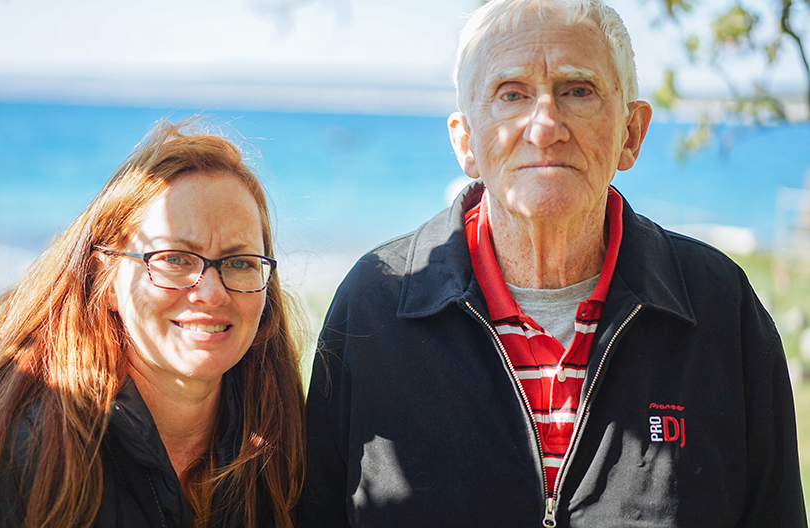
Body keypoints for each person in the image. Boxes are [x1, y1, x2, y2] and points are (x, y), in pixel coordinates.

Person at [301, 0, 806, 526]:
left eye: (578, 91)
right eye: (511, 94)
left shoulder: (720, 309)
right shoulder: (372, 309)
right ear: (466, 141)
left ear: (631, 133)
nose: (545, 126)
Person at [0, 120, 306, 528]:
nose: (211, 292)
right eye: (174, 259)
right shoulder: (18, 452)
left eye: (239, 262)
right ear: (107, 280)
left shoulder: (275, 440)